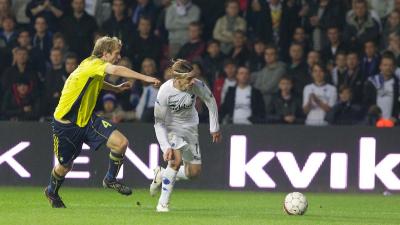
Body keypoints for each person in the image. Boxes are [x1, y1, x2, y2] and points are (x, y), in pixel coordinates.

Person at [44, 36, 161, 208]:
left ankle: (110, 179)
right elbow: (115, 70)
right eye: (116, 53)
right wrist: (146, 78)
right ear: (105, 54)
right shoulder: (93, 64)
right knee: (65, 166)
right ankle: (51, 191)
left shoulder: (92, 65)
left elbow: (96, 81)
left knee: (121, 143)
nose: (119, 57)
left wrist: (115, 88)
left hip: (87, 119)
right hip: (66, 125)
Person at [150, 59, 221, 212]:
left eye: (193, 76)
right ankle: (162, 204)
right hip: (171, 128)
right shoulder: (164, 92)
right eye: (188, 78)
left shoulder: (196, 85)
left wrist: (214, 127)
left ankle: (162, 174)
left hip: (190, 129)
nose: (192, 81)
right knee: (175, 161)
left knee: (193, 173)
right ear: (177, 79)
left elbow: (210, 100)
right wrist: (166, 147)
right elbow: (159, 122)